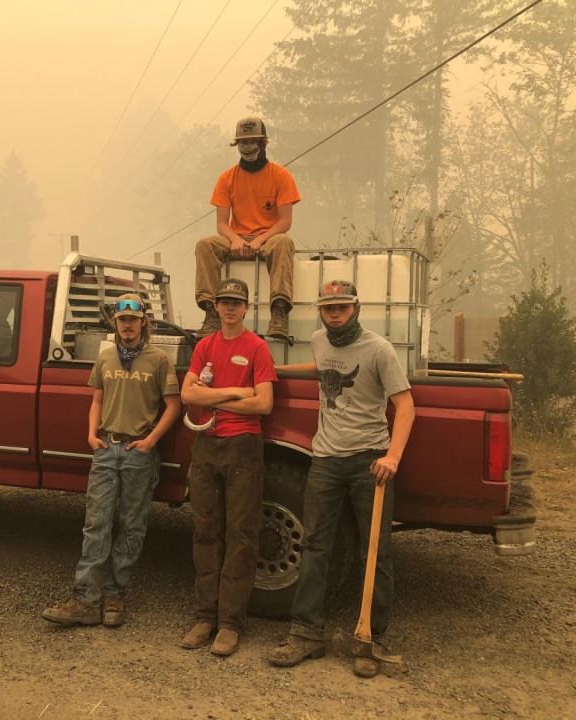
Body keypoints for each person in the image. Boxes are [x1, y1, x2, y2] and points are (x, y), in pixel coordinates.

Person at [267, 280, 415, 678]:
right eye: (327, 308)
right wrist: (277, 369)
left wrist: (393, 456)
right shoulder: (319, 340)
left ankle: (371, 638)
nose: (334, 315)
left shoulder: (379, 349)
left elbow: (405, 405)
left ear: (355, 308)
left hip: (369, 461)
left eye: (341, 308)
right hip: (326, 459)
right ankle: (306, 634)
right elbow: (322, 369)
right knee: (315, 546)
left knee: (375, 552)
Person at [43, 293, 181, 628]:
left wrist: (150, 441)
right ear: (116, 324)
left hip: (139, 454)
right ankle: (86, 600)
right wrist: (92, 435)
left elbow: (174, 406)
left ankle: (115, 595)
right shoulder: (105, 358)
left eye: (133, 320)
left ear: (143, 322)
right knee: (96, 525)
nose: (128, 326)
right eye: (122, 321)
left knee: (132, 526)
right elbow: (96, 400)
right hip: (106, 449)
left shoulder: (159, 359)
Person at [179, 278, 278, 656]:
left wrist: (214, 399)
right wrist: (236, 392)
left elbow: (264, 404)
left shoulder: (257, 348)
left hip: (243, 447)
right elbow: (188, 393)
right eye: (224, 302)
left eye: (237, 302)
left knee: (240, 533)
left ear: (247, 308)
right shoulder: (205, 346)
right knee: (205, 530)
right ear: (216, 307)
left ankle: (230, 624)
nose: (230, 308)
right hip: (205, 443)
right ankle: (205, 616)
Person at [195, 116, 301, 341]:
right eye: (243, 142)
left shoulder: (281, 176)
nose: (247, 146)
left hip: (270, 236)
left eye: (252, 141)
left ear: (263, 143)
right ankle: (211, 313)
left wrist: (259, 240)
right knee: (205, 245)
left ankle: (279, 312)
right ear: (237, 144)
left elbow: (285, 222)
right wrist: (234, 239)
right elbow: (222, 223)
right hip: (237, 235)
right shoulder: (226, 178)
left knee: (284, 242)